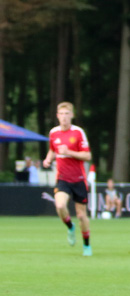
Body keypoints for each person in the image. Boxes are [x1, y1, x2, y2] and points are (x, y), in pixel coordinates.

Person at [42, 102, 93, 256]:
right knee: (60, 206)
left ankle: (86, 245)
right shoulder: (54, 133)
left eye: (67, 114)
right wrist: (48, 159)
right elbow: (53, 149)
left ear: (72, 115)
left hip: (78, 179)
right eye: (61, 114)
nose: (64, 117)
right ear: (57, 116)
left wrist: (70, 152)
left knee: (82, 215)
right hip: (63, 179)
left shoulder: (78, 132)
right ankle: (70, 227)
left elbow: (87, 155)